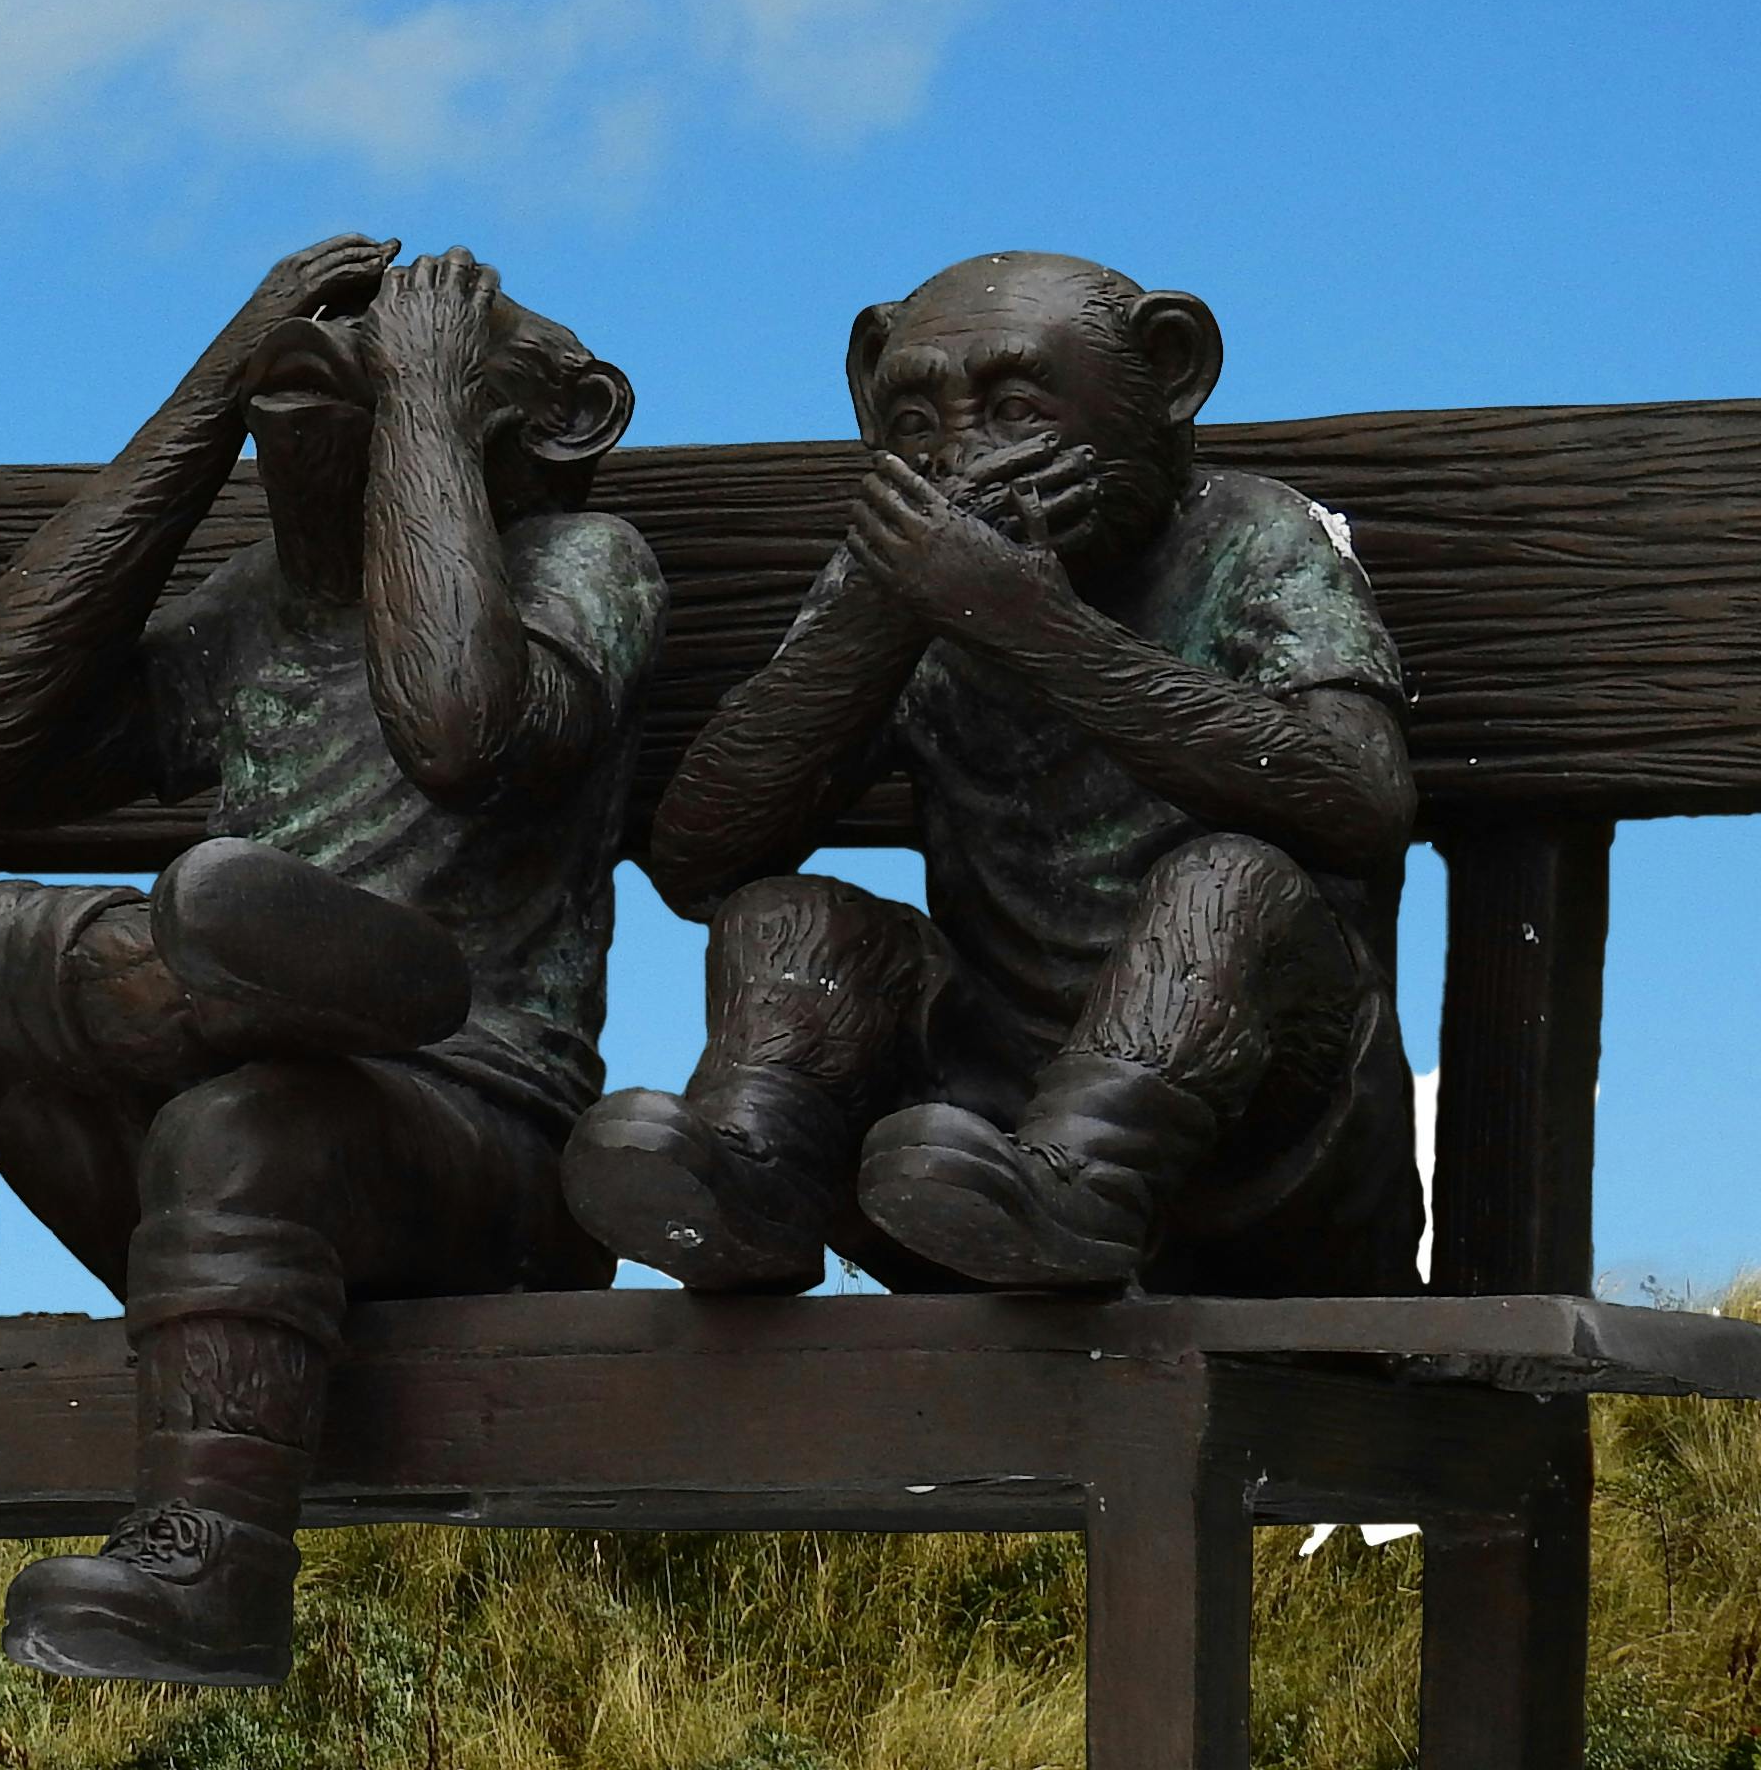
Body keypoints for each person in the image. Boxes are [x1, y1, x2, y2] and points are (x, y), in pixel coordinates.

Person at [0, 240, 661, 1684]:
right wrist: (207, 397)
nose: (365, 343)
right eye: (339, 334)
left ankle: (213, 1573)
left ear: (569, 419)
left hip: (484, 1141)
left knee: (250, 1116)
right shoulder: (249, 606)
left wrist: (423, 399)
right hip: (233, 1143)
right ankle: (261, 976)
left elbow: (461, 734)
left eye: (417, 329)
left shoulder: (584, 563)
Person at [566, 250, 1419, 1297]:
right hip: (961, 1149)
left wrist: (1032, 627)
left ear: (1172, 374)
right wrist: (882, 616)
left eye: (1016, 408)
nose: (964, 456)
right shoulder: (904, 571)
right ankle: (758, 1173)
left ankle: (1088, 1178)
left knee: (1228, 884)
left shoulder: (1254, 538)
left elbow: (1360, 796)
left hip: (1258, 1135)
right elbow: (701, 858)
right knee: (787, 917)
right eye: (917, 424)